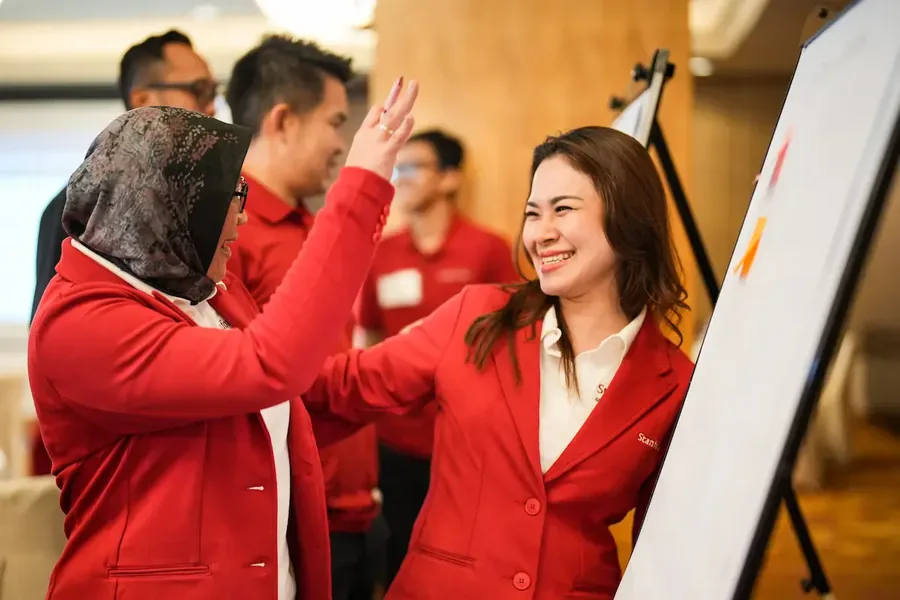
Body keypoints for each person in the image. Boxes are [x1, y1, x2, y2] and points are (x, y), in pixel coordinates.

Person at [27, 78, 417, 600]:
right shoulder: (78, 323)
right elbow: (272, 363)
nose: (244, 216)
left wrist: (430, 350)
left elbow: (296, 400)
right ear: (167, 205)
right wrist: (361, 188)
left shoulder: (207, 292)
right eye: (233, 195)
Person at [302, 125, 695, 599]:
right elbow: (340, 389)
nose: (541, 233)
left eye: (563, 209)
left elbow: (669, 548)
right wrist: (234, 358)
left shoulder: (674, 381)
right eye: (533, 214)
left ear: (629, 217)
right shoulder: (477, 318)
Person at [225, 35, 387, 600]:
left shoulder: (315, 226)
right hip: (290, 519)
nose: (341, 143)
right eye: (335, 122)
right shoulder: (229, 235)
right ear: (284, 120)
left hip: (354, 506)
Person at [28, 29, 219, 475]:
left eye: (214, 92)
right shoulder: (74, 209)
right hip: (133, 461)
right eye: (199, 91)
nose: (212, 106)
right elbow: (56, 344)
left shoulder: (206, 204)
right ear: (143, 98)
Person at [353, 128, 518, 586]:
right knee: (399, 558)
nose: (400, 178)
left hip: (469, 440)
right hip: (396, 439)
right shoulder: (381, 253)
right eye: (396, 168)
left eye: (413, 167)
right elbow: (367, 337)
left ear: (449, 179)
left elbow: (516, 341)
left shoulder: (488, 250)